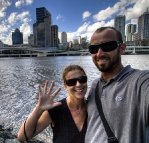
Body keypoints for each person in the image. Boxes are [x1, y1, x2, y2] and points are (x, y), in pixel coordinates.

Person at [85, 27, 149, 143]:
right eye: (94, 48)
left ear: (122, 48)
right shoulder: (95, 85)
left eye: (108, 46)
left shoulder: (140, 81)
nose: (99, 53)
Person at [18, 64, 88, 143]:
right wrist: (39, 109)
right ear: (65, 86)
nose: (78, 84)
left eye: (82, 79)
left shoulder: (94, 108)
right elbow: (23, 137)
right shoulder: (56, 109)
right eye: (71, 82)